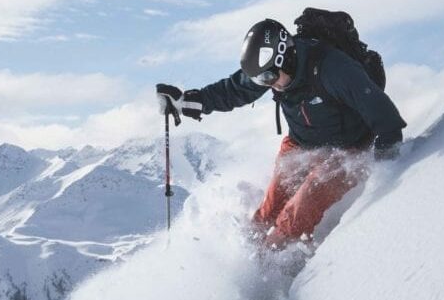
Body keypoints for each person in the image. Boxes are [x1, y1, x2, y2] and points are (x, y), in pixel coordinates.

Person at [157, 18, 406, 255]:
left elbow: (382, 111)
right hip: (300, 144)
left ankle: (270, 269)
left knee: (299, 210)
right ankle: (252, 252)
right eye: (261, 79)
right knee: (269, 210)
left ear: (285, 57)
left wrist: (388, 162)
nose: (268, 84)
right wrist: (186, 102)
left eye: (268, 77)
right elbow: (232, 91)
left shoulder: (333, 68)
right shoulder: (270, 71)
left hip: (347, 149)